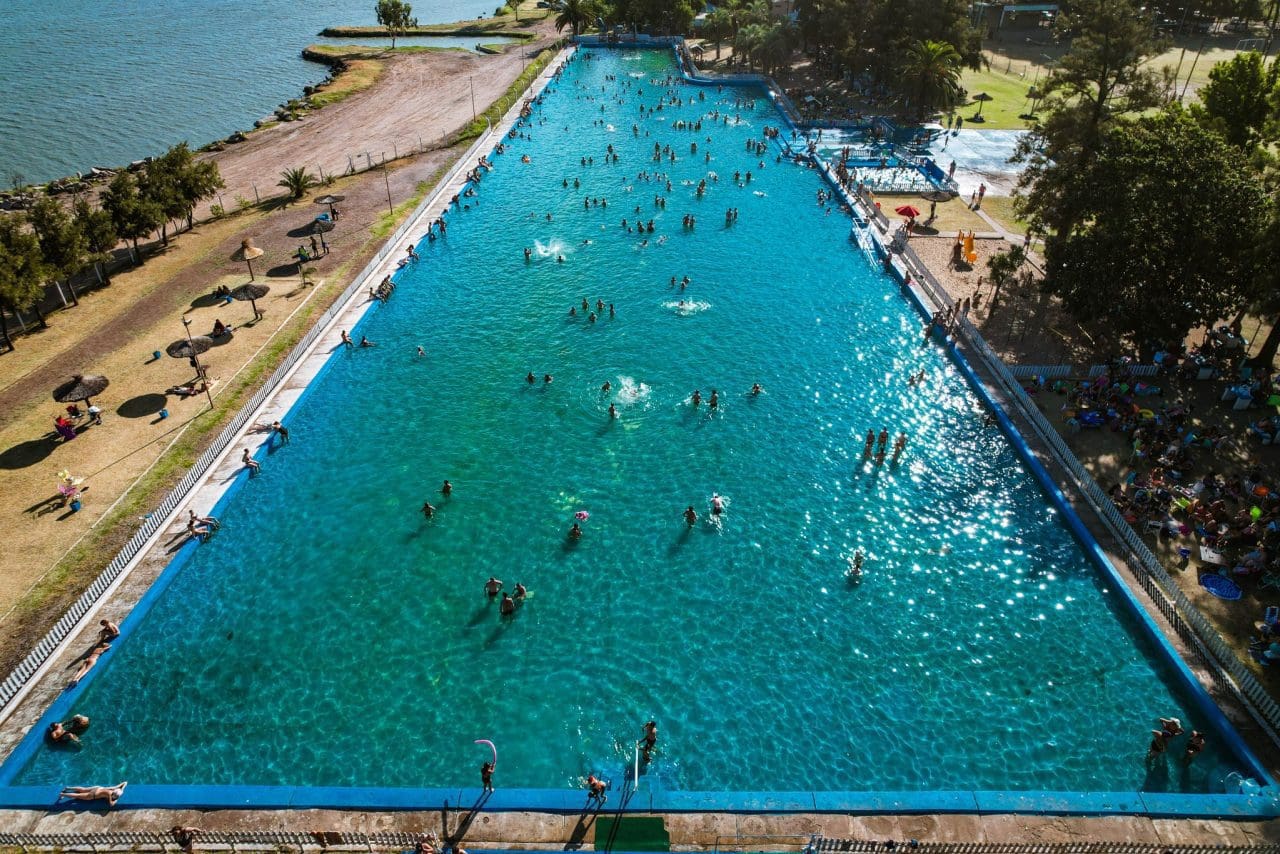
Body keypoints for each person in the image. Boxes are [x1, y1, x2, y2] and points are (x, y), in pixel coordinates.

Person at [57, 782, 127, 806]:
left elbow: (125, 782)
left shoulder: (113, 788)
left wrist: (122, 789)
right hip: (93, 795)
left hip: (97, 788)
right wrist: (116, 800)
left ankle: (68, 788)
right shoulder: (109, 795)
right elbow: (111, 804)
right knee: (77, 796)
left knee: (83, 789)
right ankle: (62, 794)